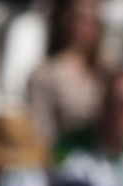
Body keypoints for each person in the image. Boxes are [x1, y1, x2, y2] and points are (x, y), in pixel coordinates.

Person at [26, 0, 107, 148]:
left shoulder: (107, 71)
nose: (86, 27)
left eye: (92, 19)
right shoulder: (44, 75)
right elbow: (42, 136)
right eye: (80, 18)